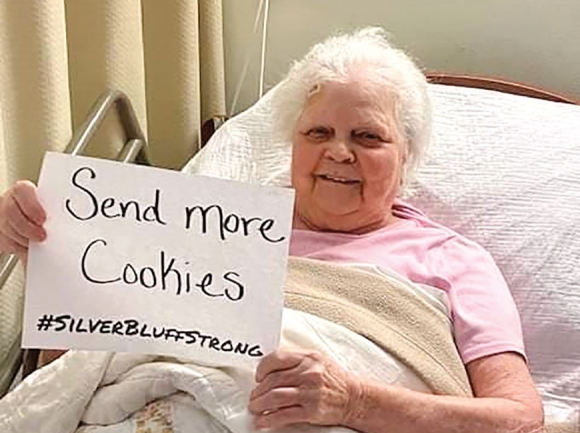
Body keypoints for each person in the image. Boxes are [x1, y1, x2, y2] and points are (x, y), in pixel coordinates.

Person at [0, 28, 543, 433]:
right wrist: (49, 256)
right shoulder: (212, 228)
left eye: (367, 136)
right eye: (319, 131)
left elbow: (519, 419)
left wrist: (353, 401)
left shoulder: (453, 261)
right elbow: (70, 371)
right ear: (293, 144)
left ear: (407, 158)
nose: (338, 151)